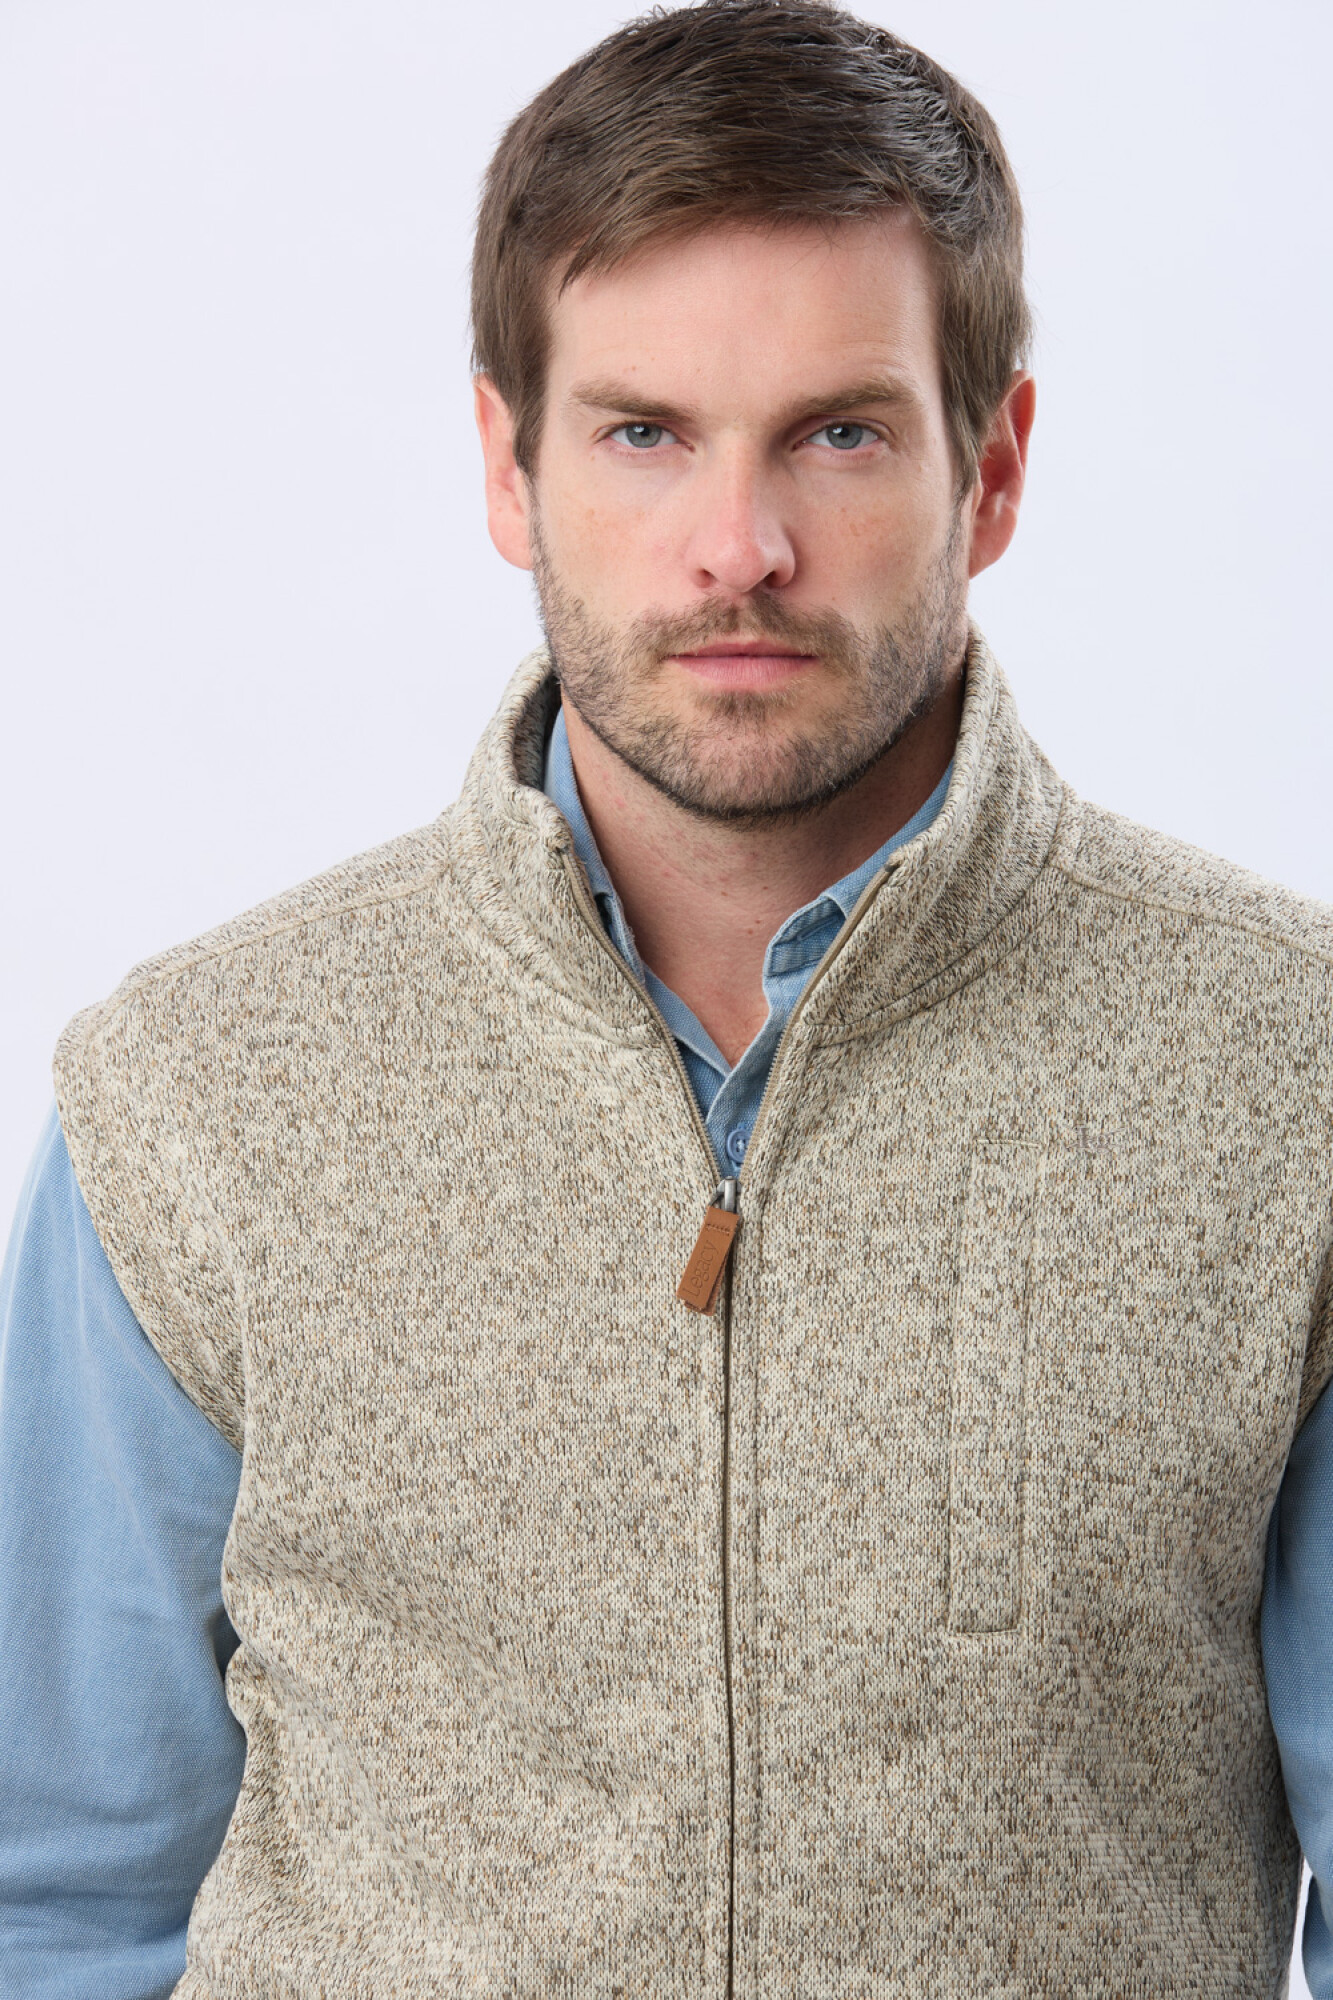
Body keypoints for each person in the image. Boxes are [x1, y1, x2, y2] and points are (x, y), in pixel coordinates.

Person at [3, 0, 1332, 1993]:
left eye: (837, 432)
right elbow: (54, 1900)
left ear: (989, 469)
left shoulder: (1290, 1081)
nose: (739, 549)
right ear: (507, 466)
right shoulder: (198, 1096)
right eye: (643, 434)